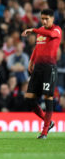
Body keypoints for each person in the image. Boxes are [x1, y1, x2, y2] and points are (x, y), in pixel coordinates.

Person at [21, 8, 62, 139]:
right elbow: (37, 47)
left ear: (52, 18)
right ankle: (48, 121)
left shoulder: (56, 30)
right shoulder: (40, 32)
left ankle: (44, 132)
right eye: (42, 18)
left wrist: (33, 30)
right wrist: (31, 61)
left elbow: (51, 36)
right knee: (29, 98)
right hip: (38, 68)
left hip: (49, 68)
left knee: (47, 97)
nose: (44, 21)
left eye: (46, 19)